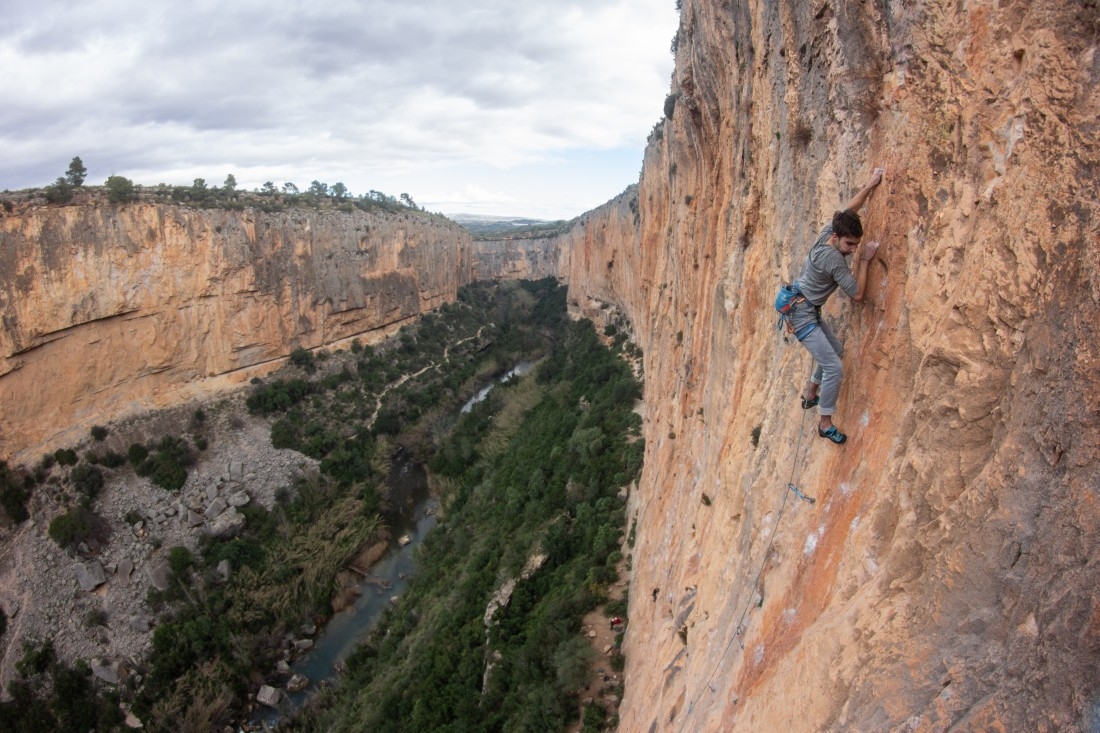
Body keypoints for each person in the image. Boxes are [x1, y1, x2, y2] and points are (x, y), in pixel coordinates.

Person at [789, 168, 884, 444]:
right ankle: (825, 422)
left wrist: (870, 185)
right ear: (838, 239)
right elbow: (856, 295)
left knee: (836, 352)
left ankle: (811, 392)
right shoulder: (834, 260)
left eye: (857, 245)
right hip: (803, 316)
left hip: (803, 308)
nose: (854, 248)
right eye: (851, 244)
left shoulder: (828, 232)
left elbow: (849, 209)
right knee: (835, 368)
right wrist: (864, 261)